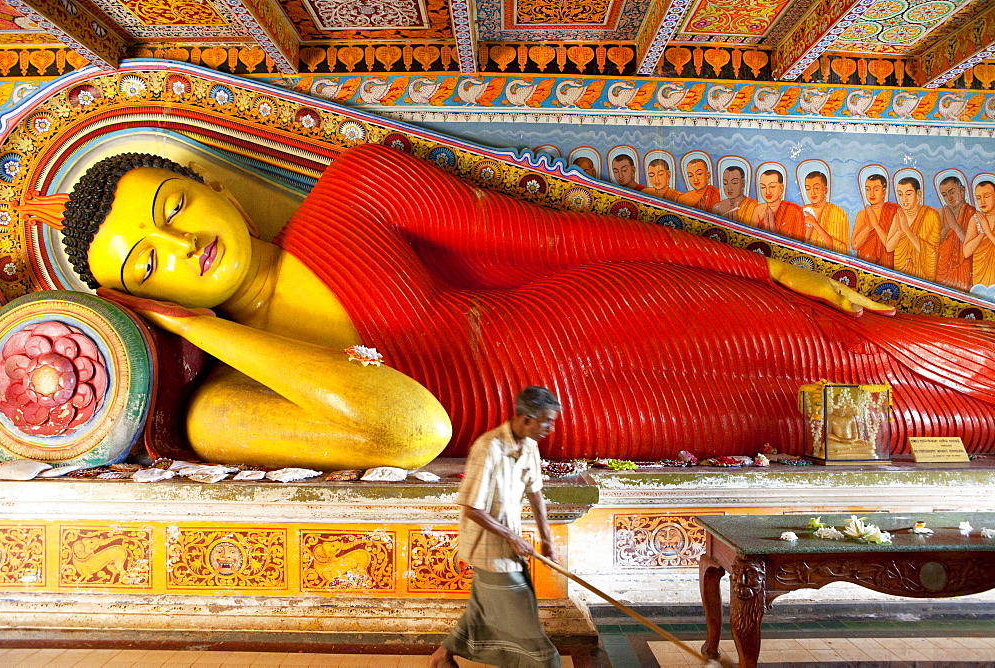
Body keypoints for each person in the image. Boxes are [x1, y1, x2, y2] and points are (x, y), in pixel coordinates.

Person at [54, 143, 995, 464]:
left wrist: (756, 268)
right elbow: (408, 427)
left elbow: (551, 238)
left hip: (598, 312)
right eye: (149, 264)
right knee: (841, 422)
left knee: (862, 345)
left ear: (206, 187)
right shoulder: (225, 404)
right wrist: (197, 331)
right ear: (143, 301)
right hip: (586, 417)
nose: (181, 244)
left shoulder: (351, 195)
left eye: (173, 207)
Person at [429, 386, 561, 668]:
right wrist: (512, 537)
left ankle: (442, 656)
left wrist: (547, 538)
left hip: (508, 546)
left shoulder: (529, 446)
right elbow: (472, 508)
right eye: (546, 421)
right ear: (526, 419)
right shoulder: (488, 447)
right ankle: (548, 663)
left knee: (480, 608)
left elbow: (534, 490)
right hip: (489, 550)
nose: (550, 428)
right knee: (525, 621)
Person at [886, 176, 940, 282]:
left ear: (918, 194)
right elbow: (889, 247)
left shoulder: (931, 215)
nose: (904, 199)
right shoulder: (899, 215)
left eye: (909, 194)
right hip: (901, 271)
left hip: (922, 275)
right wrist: (899, 231)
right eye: (900, 194)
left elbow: (930, 253)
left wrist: (907, 230)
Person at [937, 175, 975, 291]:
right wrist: (946, 228)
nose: (949, 198)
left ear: (962, 190)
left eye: (952, 192)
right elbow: (934, 244)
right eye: (944, 195)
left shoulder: (973, 214)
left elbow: (972, 246)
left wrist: (955, 226)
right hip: (943, 266)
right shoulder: (941, 213)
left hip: (963, 267)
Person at [851, 174, 897, 268]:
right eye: (868, 189)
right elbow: (855, 245)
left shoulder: (893, 211)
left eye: (876, 189)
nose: (871, 194)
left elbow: (894, 245)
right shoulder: (863, 214)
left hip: (888, 265)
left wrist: (876, 225)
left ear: (883, 191)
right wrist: (868, 227)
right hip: (866, 263)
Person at [801, 171, 849, 253]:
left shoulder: (837, 212)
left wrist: (815, 225)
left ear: (825, 190)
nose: (812, 192)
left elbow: (841, 249)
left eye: (816, 188)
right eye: (808, 189)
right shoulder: (801, 211)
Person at [752, 169, 805, 241]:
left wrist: (774, 232)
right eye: (763, 187)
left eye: (772, 186)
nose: (767, 192)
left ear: (781, 188)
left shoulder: (795, 210)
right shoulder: (758, 210)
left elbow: (799, 241)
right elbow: (751, 237)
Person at [965, 180, 995, 288]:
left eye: (986, 196)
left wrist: (987, 231)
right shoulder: (976, 220)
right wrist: (982, 234)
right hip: (980, 276)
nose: (982, 201)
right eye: (978, 198)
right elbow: (966, 252)